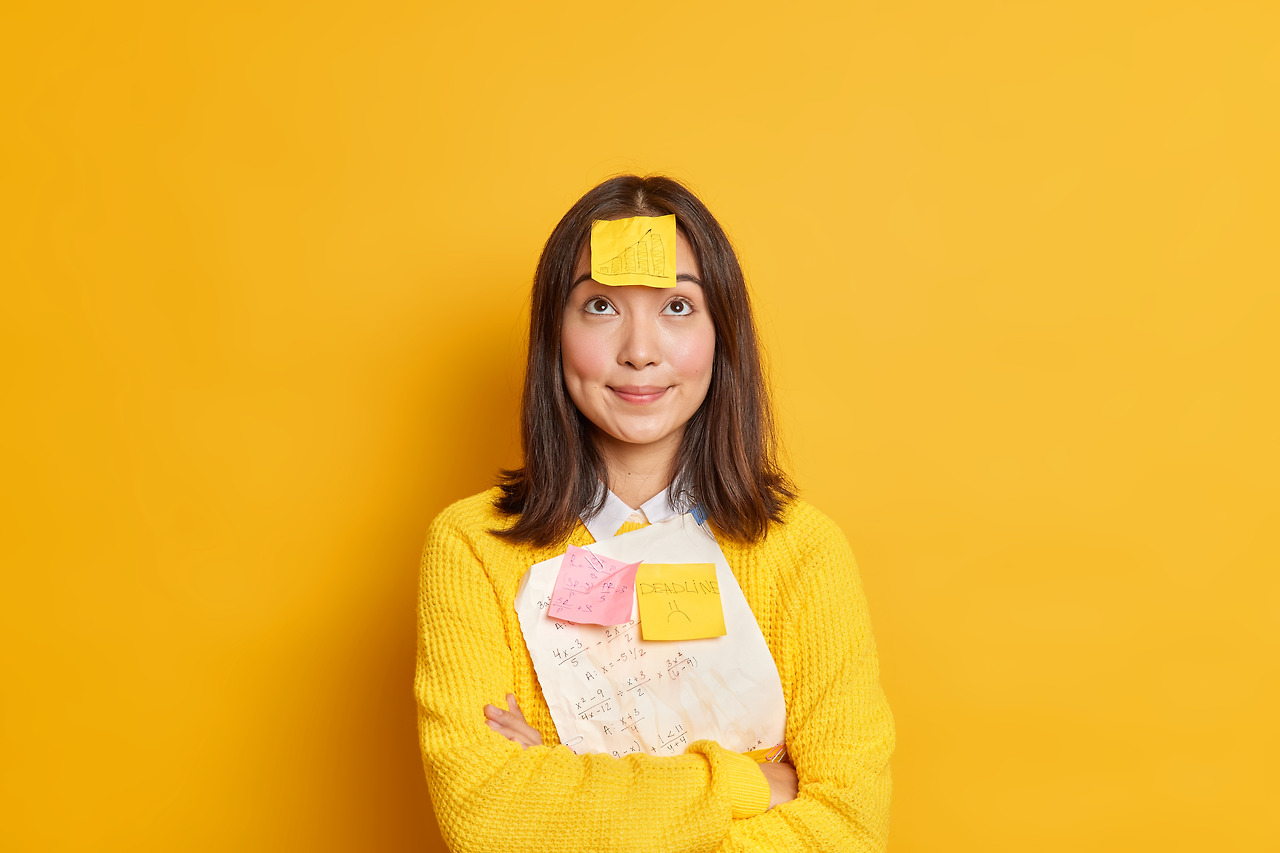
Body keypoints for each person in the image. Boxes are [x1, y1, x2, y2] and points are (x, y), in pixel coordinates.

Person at [415, 175, 894, 852]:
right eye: (602, 305)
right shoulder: (471, 547)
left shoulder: (803, 553)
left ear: (722, 332)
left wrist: (561, 787)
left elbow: (848, 828)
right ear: (555, 331)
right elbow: (487, 820)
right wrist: (750, 786)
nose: (640, 350)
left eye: (676, 305)